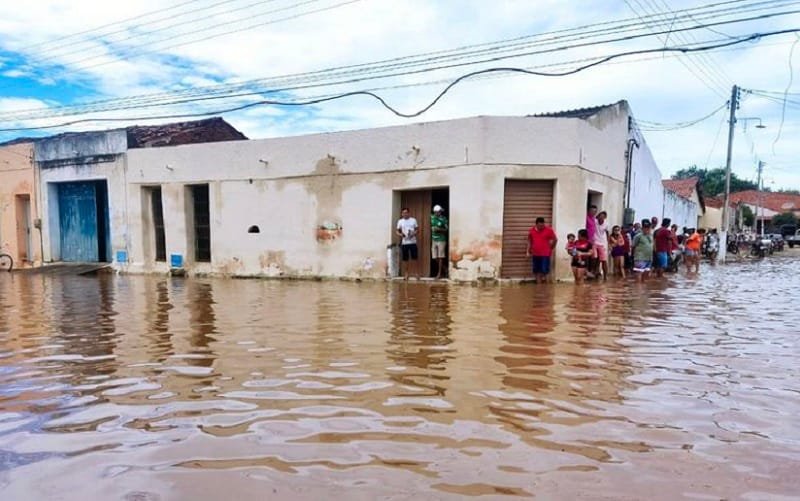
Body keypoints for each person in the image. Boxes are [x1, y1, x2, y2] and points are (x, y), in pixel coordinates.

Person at [526, 217, 558, 284]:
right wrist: (528, 251)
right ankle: (539, 287)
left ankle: (547, 288)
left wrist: (551, 247)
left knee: (545, 271)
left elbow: (555, 239)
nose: (542, 227)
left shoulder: (549, 230)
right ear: (536, 224)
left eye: (543, 225)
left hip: (545, 254)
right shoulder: (531, 231)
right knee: (537, 271)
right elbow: (529, 241)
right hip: (535, 254)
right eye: (540, 225)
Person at [396, 208, 419, 280]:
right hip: (404, 243)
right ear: (402, 214)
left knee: (414, 258)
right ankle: (406, 274)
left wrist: (413, 233)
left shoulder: (413, 220)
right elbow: (397, 231)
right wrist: (400, 234)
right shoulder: (400, 221)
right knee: (405, 259)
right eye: (403, 213)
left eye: (406, 213)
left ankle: (416, 273)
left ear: (409, 213)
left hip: (413, 242)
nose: (405, 214)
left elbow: (417, 230)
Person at [430, 205, 448, 279]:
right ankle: (445, 269)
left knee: (440, 257)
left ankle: (439, 274)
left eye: (439, 211)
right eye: (436, 212)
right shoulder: (432, 217)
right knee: (434, 257)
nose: (438, 213)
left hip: (441, 240)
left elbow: (446, 229)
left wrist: (439, 229)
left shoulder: (443, 219)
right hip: (434, 240)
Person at [593, 211, 610, 280]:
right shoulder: (595, 221)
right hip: (594, 242)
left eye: (603, 216)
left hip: (602, 243)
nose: (601, 217)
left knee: (603, 260)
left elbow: (607, 233)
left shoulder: (606, 224)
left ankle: (605, 276)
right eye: (600, 216)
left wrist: (609, 244)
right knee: (594, 258)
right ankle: (595, 273)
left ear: (605, 217)